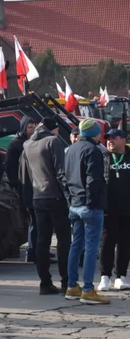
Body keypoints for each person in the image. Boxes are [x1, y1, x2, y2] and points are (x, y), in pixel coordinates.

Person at [20, 116, 70, 294]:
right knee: (64, 240)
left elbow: (25, 174)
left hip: (37, 196)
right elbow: (60, 172)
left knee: (42, 240)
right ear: (53, 128)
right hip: (56, 197)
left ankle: (45, 282)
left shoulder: (27, 145)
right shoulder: (53, 142)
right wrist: (69, 197)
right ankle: (67, 281)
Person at [64, 118, 109, 304]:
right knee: (91, 247)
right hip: (89, 205)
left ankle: (72, 286)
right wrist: (92, 202)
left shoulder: (71, 149)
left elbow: (64, 177)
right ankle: (89, 289)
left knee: (76, 245)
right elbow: (93, 179)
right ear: (95, 134)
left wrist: (70, 199)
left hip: (74, 202)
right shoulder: (93, 150)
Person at [100, 128, 130, 291]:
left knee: (125, 242)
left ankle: (121, 276)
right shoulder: (103, 157)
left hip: (127, 208)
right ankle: (105, 276)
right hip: (108, 208)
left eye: (114, 138)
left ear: (123, 140)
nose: (110, 141)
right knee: (107, 242)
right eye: (108, 138)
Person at [4, 117, 36, 260]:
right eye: (30, 127)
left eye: (34, 126)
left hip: (31, 186)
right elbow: (10, 167)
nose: (33, 130)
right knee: (28, 220)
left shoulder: (31, 143)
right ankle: (31, 251)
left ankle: (35, 248)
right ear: (23, 128)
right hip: (21, 187)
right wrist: (15, 184)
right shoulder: (16, 144)